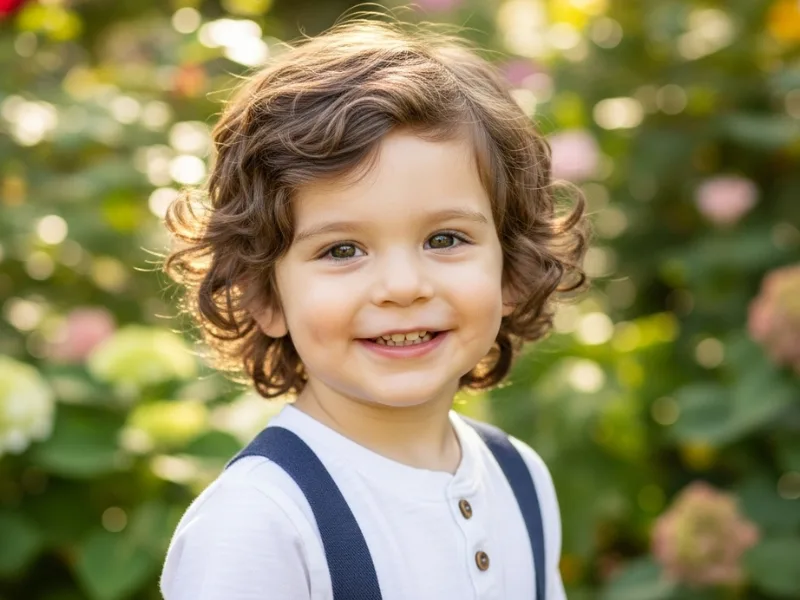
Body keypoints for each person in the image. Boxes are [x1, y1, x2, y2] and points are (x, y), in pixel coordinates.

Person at [160, 16, 587, 600]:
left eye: (445, 239)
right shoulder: (261, 523)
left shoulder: (521, 480)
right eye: (342, 250)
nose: (403, 287)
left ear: (512, 267)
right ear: (265, 296)